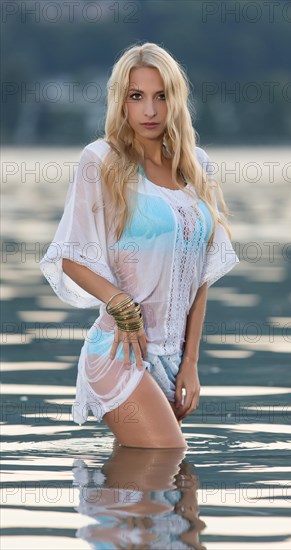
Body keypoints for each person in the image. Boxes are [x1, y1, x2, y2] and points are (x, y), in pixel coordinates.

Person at [39, 42, 240, 449]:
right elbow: (69, 258)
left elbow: (201, 278)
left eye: (161, 96)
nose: (149, 110)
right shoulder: (101, 160)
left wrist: (191, 363)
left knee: (165, 500)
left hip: (172, 359)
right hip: (117, 351)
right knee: (171, 456)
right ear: (122, 102)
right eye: (137, 96)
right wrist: (122, 305)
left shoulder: (196, 164)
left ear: (176, 100)